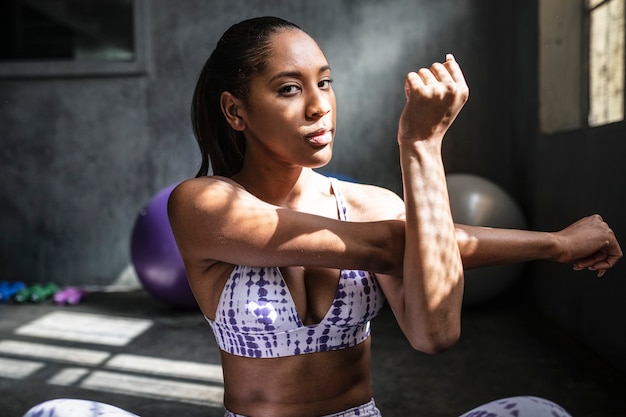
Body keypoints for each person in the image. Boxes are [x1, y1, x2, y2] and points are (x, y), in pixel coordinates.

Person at [23, 16, 621, 417]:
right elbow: (396, 245)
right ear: (235, 110)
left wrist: (423, 149)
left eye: (326, 83)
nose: (319, 107)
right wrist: (553, 244)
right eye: (288, 88)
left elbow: (435, 334)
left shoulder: (370, 207)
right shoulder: (204, 204)